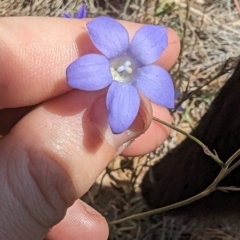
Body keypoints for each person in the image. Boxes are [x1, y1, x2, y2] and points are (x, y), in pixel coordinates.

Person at [0, 17, 180, 240]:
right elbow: (78, 72)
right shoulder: (104, 58)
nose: (125, 67)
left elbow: (157, 42)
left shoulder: (150, 73)